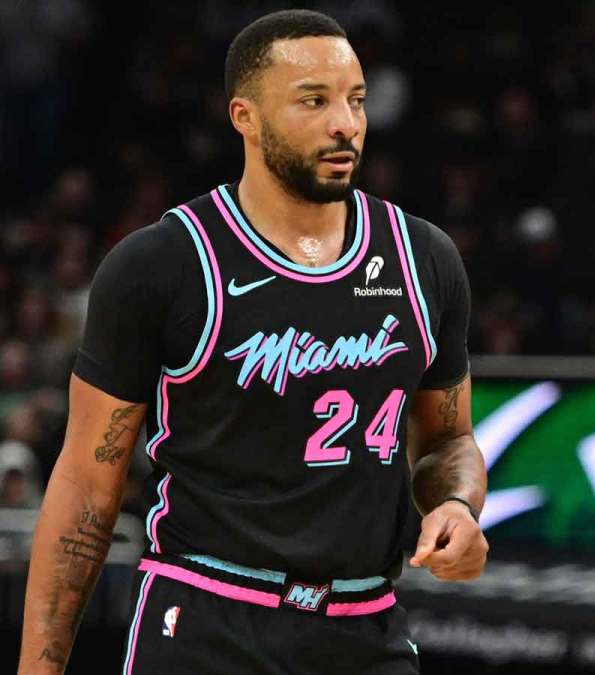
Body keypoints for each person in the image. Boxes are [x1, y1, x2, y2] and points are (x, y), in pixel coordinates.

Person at [18, 10, 487, 674]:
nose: (345, 123)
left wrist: (456, 504)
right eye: (313, 101)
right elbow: (87, 487)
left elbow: (449, 440)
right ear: (246, 117)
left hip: (364, 622)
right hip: (205, 617)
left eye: (355, 100)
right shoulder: (164, 264)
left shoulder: (424, 259)